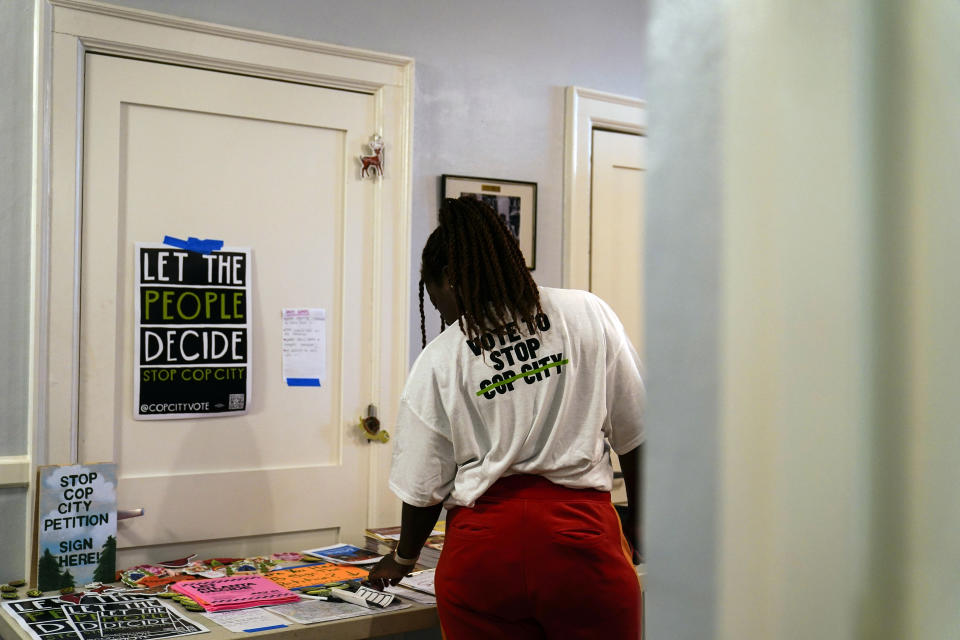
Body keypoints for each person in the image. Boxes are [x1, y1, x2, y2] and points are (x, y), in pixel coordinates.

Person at [367, 196, 644, 639]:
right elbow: (636, 436)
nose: (436, 305)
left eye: (431, 288)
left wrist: (402, 557)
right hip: (581, 542)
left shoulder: (441, 356)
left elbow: (424, 487)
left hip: (484, 553)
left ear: (450, 279)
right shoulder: (587, 314)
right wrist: (644, 525)